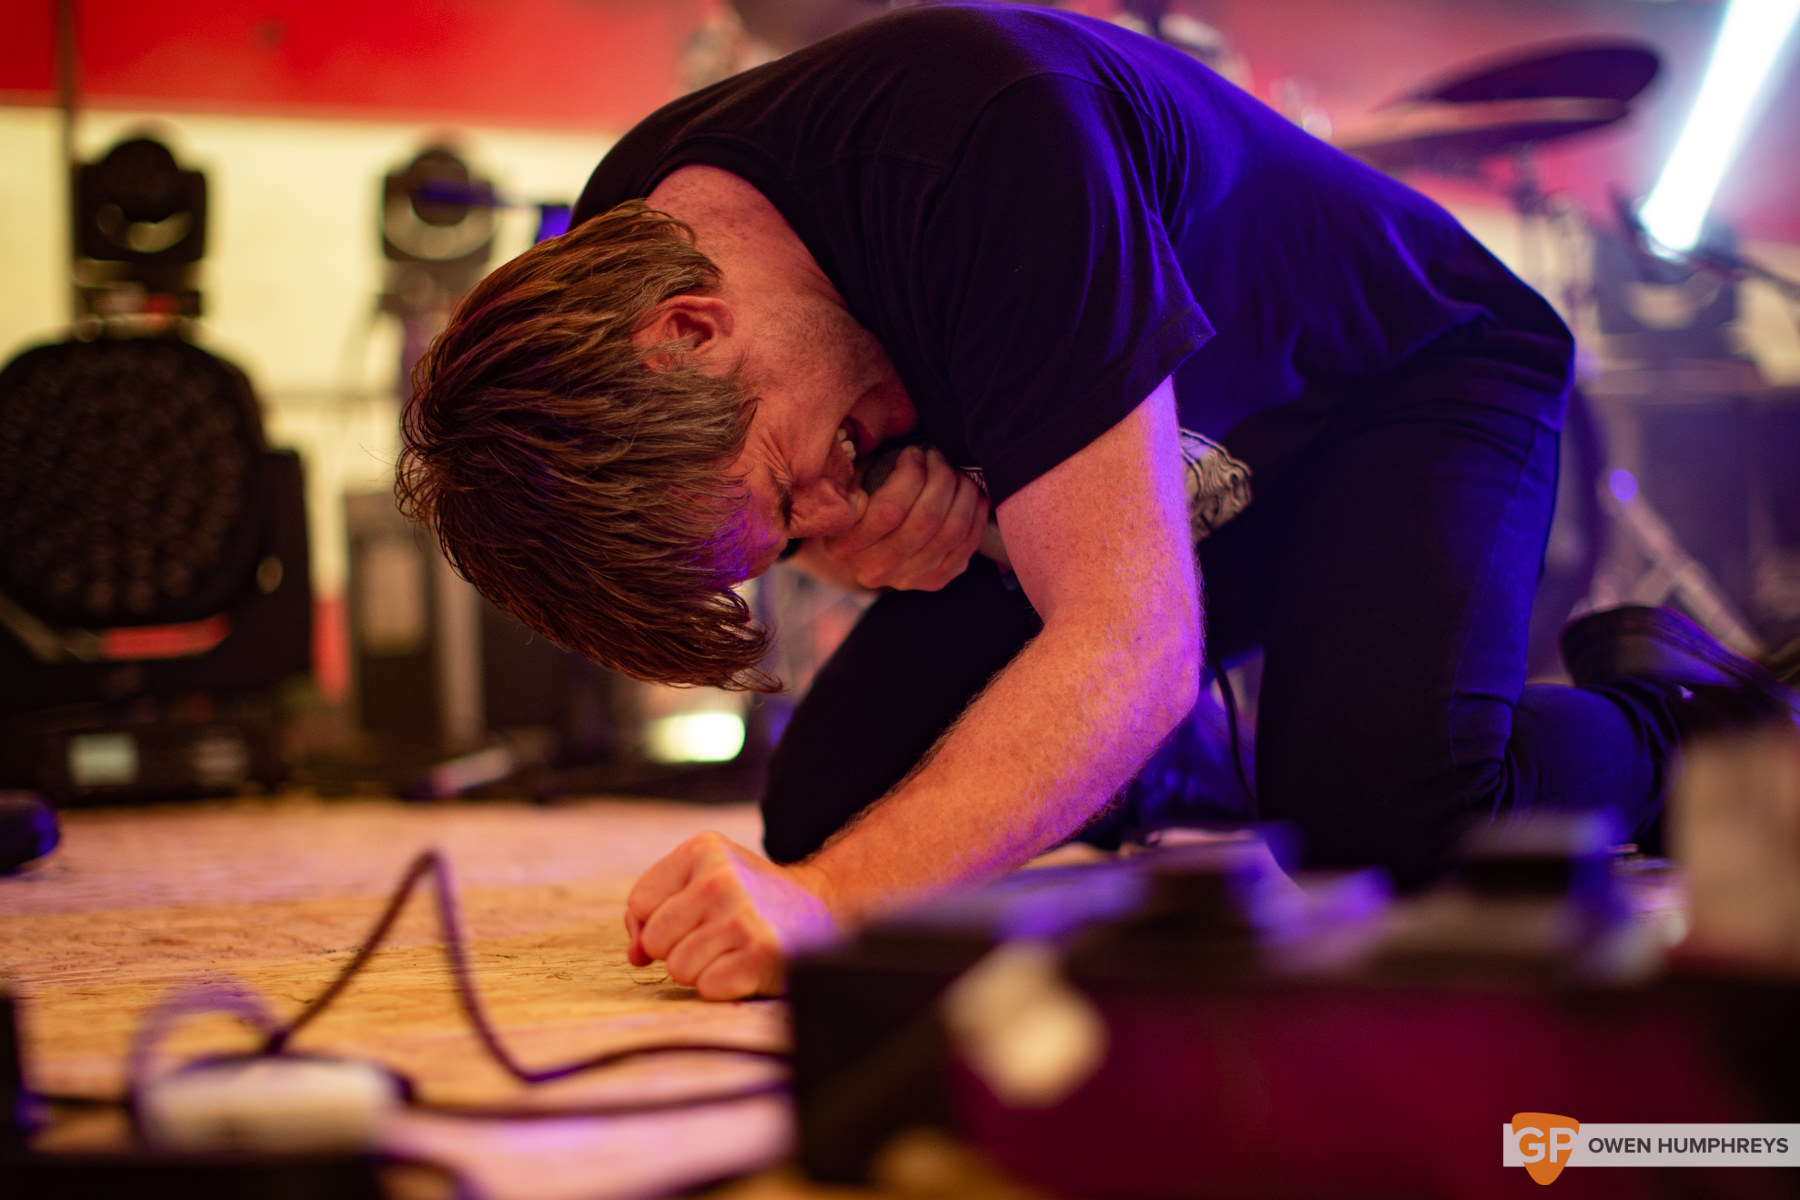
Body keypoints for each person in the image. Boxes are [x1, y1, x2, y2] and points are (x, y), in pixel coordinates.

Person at [396, 3, 1795, 1001]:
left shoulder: (988, 144)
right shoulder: (620, 259)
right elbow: (921, 528)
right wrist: (878, 550)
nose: (824, 514)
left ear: (693, 328)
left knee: (1386, 819)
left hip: (1403, 385)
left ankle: (1697, 722)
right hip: (1156, 471)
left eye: (789, 489)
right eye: (784, 545)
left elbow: (1131, 635)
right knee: (832, 805)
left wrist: (824, 908)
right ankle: (1223, 754)